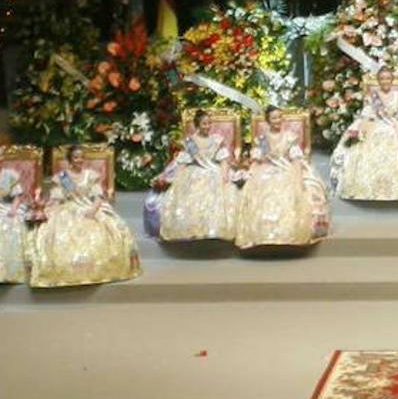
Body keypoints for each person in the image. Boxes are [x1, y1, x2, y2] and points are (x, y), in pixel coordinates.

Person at [27, 145, 141, 288]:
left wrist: (93, 210)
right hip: (68, 209)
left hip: (89, 207)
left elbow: (98, 197)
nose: (79, 160)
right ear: (70, 159)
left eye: (81, 157)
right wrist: (45, 208)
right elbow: (56, 199)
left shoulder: (91, 175)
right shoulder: (63, 177)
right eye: (76, 157)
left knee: (109, 228)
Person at [235, 107, 331, 249]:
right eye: (274, 118)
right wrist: (251, 173)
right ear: (268, 121)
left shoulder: (289, 137)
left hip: (287, 169)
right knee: (260, 189)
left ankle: (289, 234)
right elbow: (257, 160)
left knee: (290, 189)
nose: (277, 121)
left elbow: (296, 161)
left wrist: (298, 179)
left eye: (280, 117)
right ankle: (263, 234)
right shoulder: (263, 139)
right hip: (266, 170)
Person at [330, 69, 398, 202]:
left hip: (395, 127)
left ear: (392, 80)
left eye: (388, 78)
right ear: (379, 81)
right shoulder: (373, 97)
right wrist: (361, 130)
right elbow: (367, 117)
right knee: (369, 143)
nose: (385, 81)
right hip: (376, 126)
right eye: (382, 78)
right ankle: (366, 187)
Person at [148, 109, 240, 241]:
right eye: (204, 124)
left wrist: (224, 175)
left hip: (213, 171)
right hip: (195, 171)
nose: (207, 127)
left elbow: (223, 160)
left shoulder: (216, 140)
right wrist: (177, 177)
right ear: (197, 125)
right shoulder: (190, 142)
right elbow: (183, 162)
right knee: (191, 191)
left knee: (221, 190)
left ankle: (214, 228)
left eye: (209, 123)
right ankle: (193, 228)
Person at [0, 166, 31, 283]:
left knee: (11, 221)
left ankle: (10, 270)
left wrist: (13, 209)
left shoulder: (9, 174)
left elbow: (17, 196)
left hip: (7, 206)